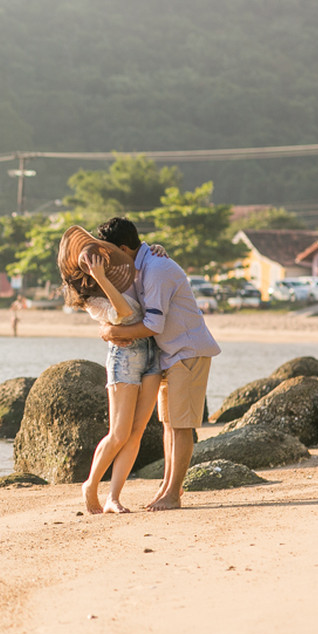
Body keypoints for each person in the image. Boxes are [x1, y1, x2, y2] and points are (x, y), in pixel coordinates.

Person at [96, 216, 220, 511]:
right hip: (171, 354)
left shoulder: (155, 269)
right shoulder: (144, 265)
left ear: (124, 248)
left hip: (187, 351)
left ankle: (174, 494)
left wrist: (114, 333)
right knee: (168, 424)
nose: (110, 261)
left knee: (181, 426)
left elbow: (153, 323)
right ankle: (166, 489)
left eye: (111, 253)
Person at [58, 226, 161, 514]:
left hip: (153, 350)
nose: (98, 260)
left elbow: (144, 265)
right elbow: (124, 314)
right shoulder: (89, 298)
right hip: (125, 355)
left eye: (98, 255)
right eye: (91, 260)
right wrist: (99, 278)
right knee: (119, 432)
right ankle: (90, 485)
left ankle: (113, 498)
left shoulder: (123, 273)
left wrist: (158, 248)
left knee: (137, 431)